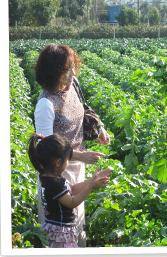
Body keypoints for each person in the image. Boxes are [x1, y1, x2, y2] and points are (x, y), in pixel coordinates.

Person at [34, 43, 110, 247]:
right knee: (60, 225)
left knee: (76, 223)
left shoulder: (72, 85)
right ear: (51, 73)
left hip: (75, 165)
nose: (72, 73)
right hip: (57, 170)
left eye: (72, 67)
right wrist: (78, 155)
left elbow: (83, 108)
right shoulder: (45, 104)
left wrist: (99, 127)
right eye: (65, 70)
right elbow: (46, 149)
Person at [28, 133, 112, 248]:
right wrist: (91, 187)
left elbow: (72, 189)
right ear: (58, 162)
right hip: (60, 234)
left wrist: (91, 180)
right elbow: (72, 202)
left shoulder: (51, 177)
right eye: (67, 159)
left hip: (61, 230)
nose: (68, 163)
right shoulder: (53, 184)